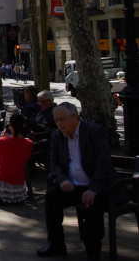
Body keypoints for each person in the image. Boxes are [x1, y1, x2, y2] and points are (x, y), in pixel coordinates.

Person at [37, 102, 118, 260]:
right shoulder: (57, 135)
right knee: (52, 196)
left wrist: (93, 188)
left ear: (74, 117)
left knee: (92, 207)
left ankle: (93, 252)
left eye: (62, 119)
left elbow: (104, 162)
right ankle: (56, 244)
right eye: (56, 120)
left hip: (96, 186)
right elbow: (53, 162)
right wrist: (62, 180)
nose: (59, 123)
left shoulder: (93, 131)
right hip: (72, 186)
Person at [0, 113, 33, 205]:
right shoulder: (29, 143)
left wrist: (1, 139)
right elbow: (26, 158)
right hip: (18, 183)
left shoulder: (3, 140)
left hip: (1, 177)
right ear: (23, 125)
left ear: (10, 125)